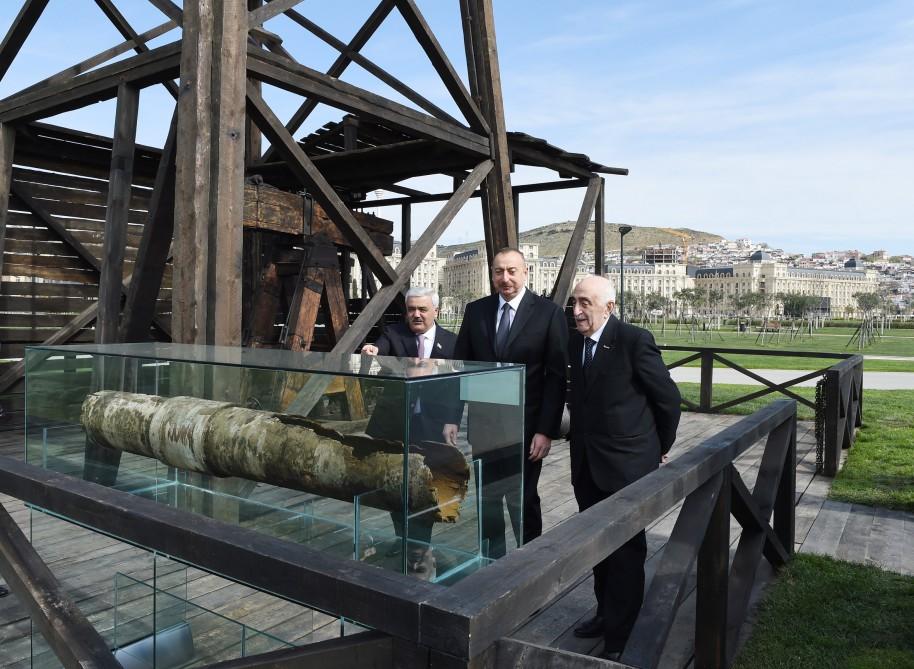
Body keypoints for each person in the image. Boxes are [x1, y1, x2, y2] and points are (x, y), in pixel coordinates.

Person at [566, 275, 681, 659]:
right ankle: (604, 615)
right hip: (587, 465)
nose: (577, 311)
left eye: (585, 303)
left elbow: (667, 401)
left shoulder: (634, 341)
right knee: (596, 548)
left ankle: (622, 635)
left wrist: (658, 449)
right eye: (574, 303)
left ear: (609, 307)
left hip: (627, 467)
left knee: (626, 553)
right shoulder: (576, 342)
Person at [445, 247, 568, 558]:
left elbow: (555, 379)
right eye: (499, 271)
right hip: (485, 429)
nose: (505, 278)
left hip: (527, 432)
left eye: (512, 271)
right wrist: (451, 417)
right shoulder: (476, 311)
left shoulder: (548, 313)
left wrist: (546, 431)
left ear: (526, 272)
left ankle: (529, 568)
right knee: (487, 501)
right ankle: (491, 566)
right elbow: (462, 367)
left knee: (522, 500)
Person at [361, 286, 456, 579]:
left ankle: (419, 549)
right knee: (394, 486)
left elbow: (458, 385)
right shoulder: (394, 334)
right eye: (411, 309)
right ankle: (404, 539)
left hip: (431, 427)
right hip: (393, 424)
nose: (416, 314)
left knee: (424, 488)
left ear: (435, 312)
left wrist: (452, 420)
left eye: (422, 309)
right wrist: (372, 351)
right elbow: (381, 349)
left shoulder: (451, 342)